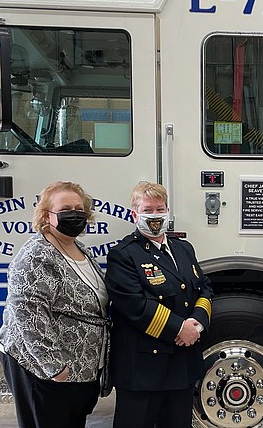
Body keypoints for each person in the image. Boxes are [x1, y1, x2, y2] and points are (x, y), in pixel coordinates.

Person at [0, 181, 109, 428]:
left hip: (79, 371)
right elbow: (27, 313)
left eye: (80, 209)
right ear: (46, 216)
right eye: (66, 208)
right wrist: (54, 366)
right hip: (45, 372)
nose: (75, 214)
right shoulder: (36, 254)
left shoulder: (79, 249)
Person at [105, 182, 213, 428]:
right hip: (143, 371)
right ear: (135, 214)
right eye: (147, 210)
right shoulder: (123, 254)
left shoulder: (184, 249)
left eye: (159, 209)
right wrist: (179, 329)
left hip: (181, 364)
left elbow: (203, 287)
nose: (155, 216)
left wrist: (196, 324)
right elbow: (134, 305)